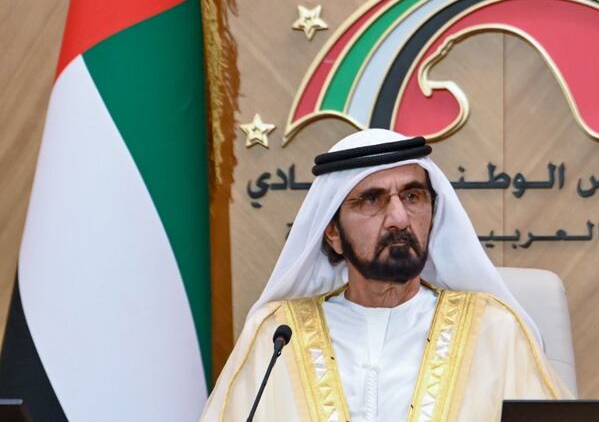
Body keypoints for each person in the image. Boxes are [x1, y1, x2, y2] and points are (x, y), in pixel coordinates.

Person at [201, 129, 571, 421]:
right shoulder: (277, 338)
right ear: (333, 233)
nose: (398, 218)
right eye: (371, 200)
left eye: (412, 197)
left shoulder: (494, 329)